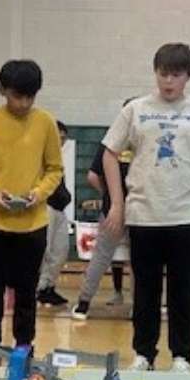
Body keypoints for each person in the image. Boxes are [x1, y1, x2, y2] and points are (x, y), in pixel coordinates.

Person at [101, 43, 190, 373]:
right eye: (163, 74)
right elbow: (110, 153)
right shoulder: (136, 109)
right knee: (146, 289)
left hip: (188, 214)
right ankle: (144, 353)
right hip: (143, 213)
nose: (169, 81)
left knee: (184, 289)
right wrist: (117, 205)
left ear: (188, 76)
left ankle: (182, 355)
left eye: (176, 75)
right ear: (156, 73)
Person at [0, 59, 64, 365]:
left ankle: (24, 347)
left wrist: (39, 193)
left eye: (29, 97)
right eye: (17, 96)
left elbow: (54, 168)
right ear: (2, 91)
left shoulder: (46, 122)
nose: (23, 104)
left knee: (26, 289)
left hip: (32, 223)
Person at [71, 128, 133, 321]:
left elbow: (92, 176)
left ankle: (83, 303)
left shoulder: (110, 144)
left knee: (101, 257)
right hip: (140, 210)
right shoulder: (145, 144)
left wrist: (109, 195)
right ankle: (140, 307)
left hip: (112, 209)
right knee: (140, 260)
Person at [37, 121, 73, 307]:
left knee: (61, 250)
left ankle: (49, 287)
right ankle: (39, 288)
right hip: (46, 207)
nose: (61, 141)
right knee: (46, 250)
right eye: (58, 137)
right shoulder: (38, 155)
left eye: (64, 138)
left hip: (59, 209)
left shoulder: (57, 158)